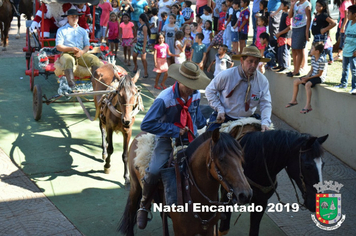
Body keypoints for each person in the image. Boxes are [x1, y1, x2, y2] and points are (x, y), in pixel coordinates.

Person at [137, 61, 210, 229]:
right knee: (155, 170)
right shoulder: (164, 99)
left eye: (195, 84)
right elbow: (146, 124)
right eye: (190, 84)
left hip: (191, 137)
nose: (193, 88)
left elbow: (197, 119)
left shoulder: (196, 95)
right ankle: (144, 205)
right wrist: (175, 130)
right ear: (180, 81)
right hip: (167, 139)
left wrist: (209, 120)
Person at [205, 45, 272, 132]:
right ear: (242, 60)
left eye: (256, 62)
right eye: (250, 61)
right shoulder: (227, 75)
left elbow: (266, 103)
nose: (253, 65)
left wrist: (265, 122)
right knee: (210, 139)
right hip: (226, 116)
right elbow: (209, 91)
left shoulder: (262, 80)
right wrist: (219, 109)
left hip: (248, 119)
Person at [56, 9, 102, 90]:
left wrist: (82, 52)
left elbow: (87, 45)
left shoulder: (83, 31)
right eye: (72, 17)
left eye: (76, 17)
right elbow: (58, 46)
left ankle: (93, 82)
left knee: (95, 60)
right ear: (68, 18)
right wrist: (71, 49)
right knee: (68, 60)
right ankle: (72, 85)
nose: (74, 19)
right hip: (67, 53)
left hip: (81, 54)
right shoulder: (61, 30)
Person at [285, 42, 327, 113]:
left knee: (308, 85)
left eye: (312, 48)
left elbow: (320, 74)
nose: (310, 50)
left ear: (317, 51)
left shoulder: (322, 60)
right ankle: (294, 100)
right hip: (312, 76)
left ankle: (308, 105)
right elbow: (311, 70)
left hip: (318, 77)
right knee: (296, 81)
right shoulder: (313, 57)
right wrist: (306, 77)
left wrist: (308, 79)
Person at [334, 4, 356, 94]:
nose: (348, 15)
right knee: (344, 68)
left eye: (349, 13)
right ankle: (343, 83)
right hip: (346, 50)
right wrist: (343, 47)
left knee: (354, 70)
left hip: (353, 52)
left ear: (355, 14)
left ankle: (354, 87)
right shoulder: (348, 24)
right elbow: (345, 36)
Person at [286, 0, 311, 77]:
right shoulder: (296, 3)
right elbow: (290, 16)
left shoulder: (306, 4)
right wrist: (292, 6)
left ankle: (297, 70)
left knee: (299, 49)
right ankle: (295, 69)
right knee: (293, 48)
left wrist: (306, 31)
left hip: (302, 27)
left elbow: (309, 18)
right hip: (295, 27)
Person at [274, 0, 292, 73]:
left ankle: (285, 66)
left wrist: (280, 33)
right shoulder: (283, 13)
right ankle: (281, 65)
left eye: (281, 5)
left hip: (286, 37)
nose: (280, 6)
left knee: (284, 52)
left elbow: (289, 27)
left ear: (286, 6)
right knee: (280, 51)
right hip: (281, 37)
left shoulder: (288, 15)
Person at [133, 13, 151, 78]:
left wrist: (144, 47)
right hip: (138, 43)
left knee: (143, 59)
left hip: (143, 44)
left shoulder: (144, 27)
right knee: (134, 55)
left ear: (140, 19)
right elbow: (138, 35)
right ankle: (135, 66)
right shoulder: (140, 25)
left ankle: (145, 72)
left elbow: (145, 37)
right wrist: (133, 40)